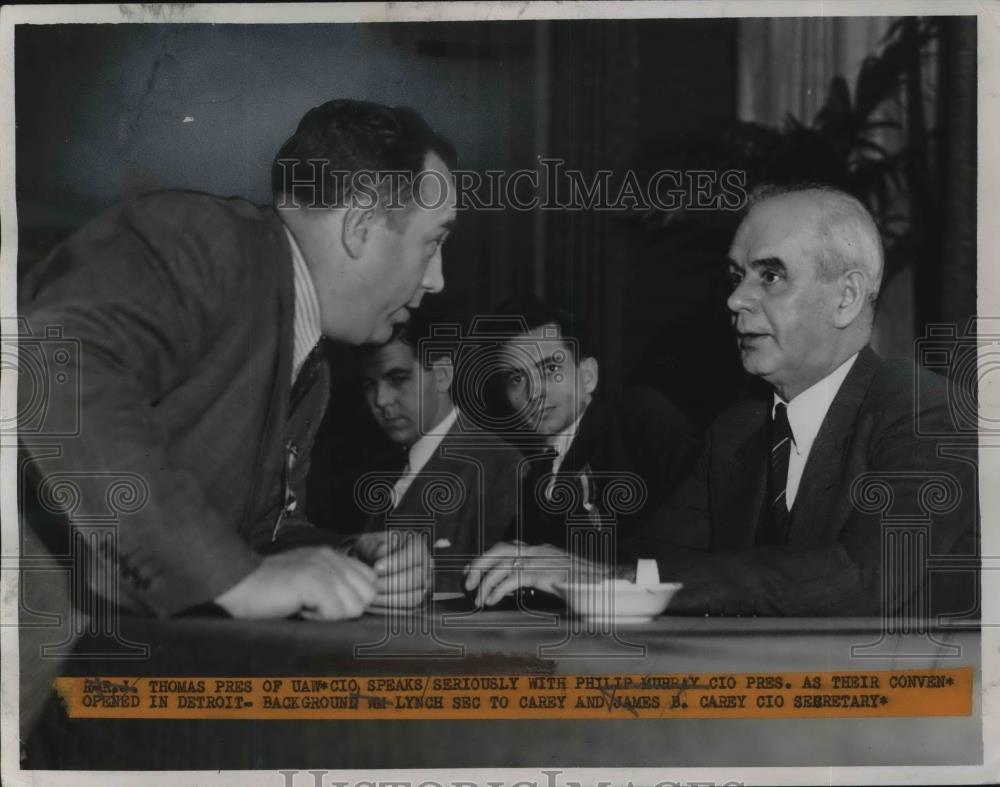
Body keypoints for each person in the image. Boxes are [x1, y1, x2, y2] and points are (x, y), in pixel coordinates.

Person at [18, 99, 458, 620]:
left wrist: (348, 561)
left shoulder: (309, 364)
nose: (437, 279)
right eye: (433, 242)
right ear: (361, 224)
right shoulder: (204, 239)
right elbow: (55, 365)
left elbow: (257, 534)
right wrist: (229, 577)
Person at [467, 185, 978, 617]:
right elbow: (655, 560)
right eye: (737, 277)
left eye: (770, 276)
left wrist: (615, 577)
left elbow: (863, 578)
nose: (735, 300)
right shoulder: (738, 430)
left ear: (845, 297)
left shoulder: (926, 414)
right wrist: (541, 566)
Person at [482, 297, 701, 555]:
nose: (534, 392)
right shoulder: (529, 473)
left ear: (588, 375)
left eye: (550, 368)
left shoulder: (638, 420)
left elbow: (700, 523)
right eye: (517, 378)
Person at [355, 309, 523, 592]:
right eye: (370, 385)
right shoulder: (380, 467)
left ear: (443, 375)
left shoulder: (501, 468)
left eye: (398, 379)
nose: (381, 400)